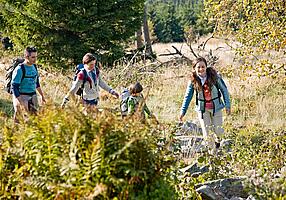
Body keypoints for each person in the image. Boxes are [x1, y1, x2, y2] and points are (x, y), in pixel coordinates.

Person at [179, 57, 231, 151]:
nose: (201, 69)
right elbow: (188, 97)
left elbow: (224, 90)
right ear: (194, 69)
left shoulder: (215, 77)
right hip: (203, 110)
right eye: (198, 67)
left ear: (206, 67)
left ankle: (217, 141)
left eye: (203, 67)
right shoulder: (193, 81)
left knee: (218, 131)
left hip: (216, 108)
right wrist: (183, 111)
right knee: (207, 134)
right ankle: (212, 154)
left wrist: (227, 106)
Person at [11, 46, 46, 122]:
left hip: (33, 95)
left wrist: (42, 96)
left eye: (36, 57)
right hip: (21, 96)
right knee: (19, 121)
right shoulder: (20, 69)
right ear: (26, 56)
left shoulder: (34, 67)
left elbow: (36, 83)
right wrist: (21, 102)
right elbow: (14, 87)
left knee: (35, 120)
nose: (35, 59)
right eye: (33, 57)